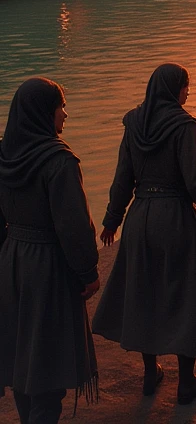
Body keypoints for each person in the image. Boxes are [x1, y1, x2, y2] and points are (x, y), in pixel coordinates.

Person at [92, 63, 196, 405]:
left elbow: (122, 179)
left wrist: (112, 220)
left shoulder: (133, 122)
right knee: (186, 295)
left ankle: (150, 373)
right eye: (187, 87)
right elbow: (195, 181)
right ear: (175, 88)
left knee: (145, 292)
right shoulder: (184, 125)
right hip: (175, 218)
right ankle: (186, 382)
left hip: (140, 217)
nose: (188, 93)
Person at [0, 78, 99, 424]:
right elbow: (75, 228)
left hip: (11, 263)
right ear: (45, 112)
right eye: (61, 106)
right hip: (47, 267)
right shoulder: (59, 162)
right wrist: (88, 273)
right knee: (48, 372)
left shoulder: (4, 155)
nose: (66, 114)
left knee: (22, 364)